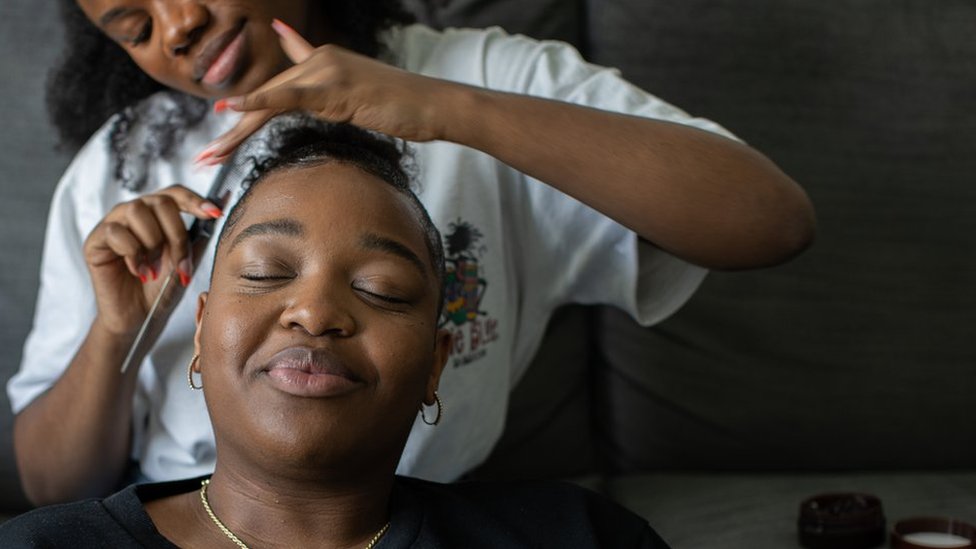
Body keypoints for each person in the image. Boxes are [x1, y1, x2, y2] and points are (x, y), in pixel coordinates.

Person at [9, 0, 817, 505]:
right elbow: (53, 489)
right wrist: (116, 332)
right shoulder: (120, 166)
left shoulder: (484, 77)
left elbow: (771, 222)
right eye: (137, 27)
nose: (178, 24)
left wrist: (449, 108)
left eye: (387, 287)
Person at [0, 121, 672, 548]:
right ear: (199, 332)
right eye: (266, 273)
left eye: (381, 288)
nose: (316, 312)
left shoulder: (578, 534)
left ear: (436, 365)